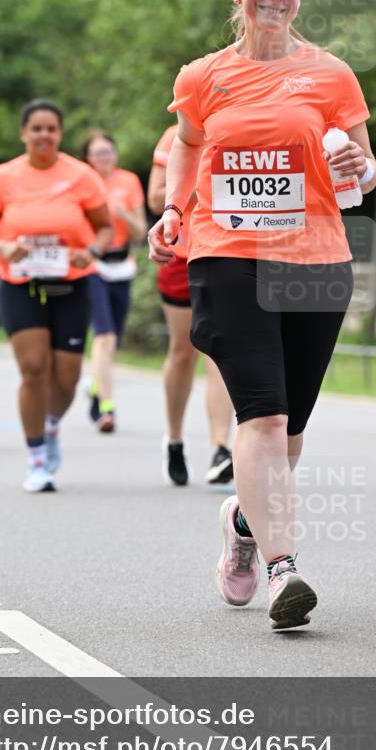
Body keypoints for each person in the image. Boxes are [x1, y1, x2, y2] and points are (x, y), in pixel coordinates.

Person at [148, 0, 376, 630]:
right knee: (264, 415)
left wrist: (351, 164)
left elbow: (363, 178)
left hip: (313, 260)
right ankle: (284, 571)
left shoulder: (332, 76)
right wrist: (172, 206)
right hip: (225, 252)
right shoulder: (202, 77)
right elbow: (187, 143)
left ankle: (242, 525)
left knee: (290, 431)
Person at [0, 99, 113, 492]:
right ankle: (36, 460)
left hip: (71, 284)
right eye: (36, 128)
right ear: (23, 133)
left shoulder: (81, 176)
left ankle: (50, 425)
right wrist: (1, 248)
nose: (44, 135)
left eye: (51, 129)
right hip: (20, 285)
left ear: (60, 134)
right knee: (33, 370)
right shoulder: (3, 177)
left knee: (66, 379)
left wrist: (93, 251)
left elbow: (105, 228)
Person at [148, 124, 236, 486]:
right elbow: (156, 198)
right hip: (181, 255)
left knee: (219, 350)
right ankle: (174, 438)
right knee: (183, 351)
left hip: (226, 252)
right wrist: (205, 191)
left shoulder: (240, 131)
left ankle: (221, 449)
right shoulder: (175, 136)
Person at [82, 131, 146, 432]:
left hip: (122, 265)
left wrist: (121, 212)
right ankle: (107, 408)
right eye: (97, 153)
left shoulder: (128, 182)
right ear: (88, 158)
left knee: (114, 339)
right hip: (93, 265)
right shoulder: (82, 182)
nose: (103, 158)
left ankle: (96, 389)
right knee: (104, 336)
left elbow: (140, 232)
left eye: (108, 151)